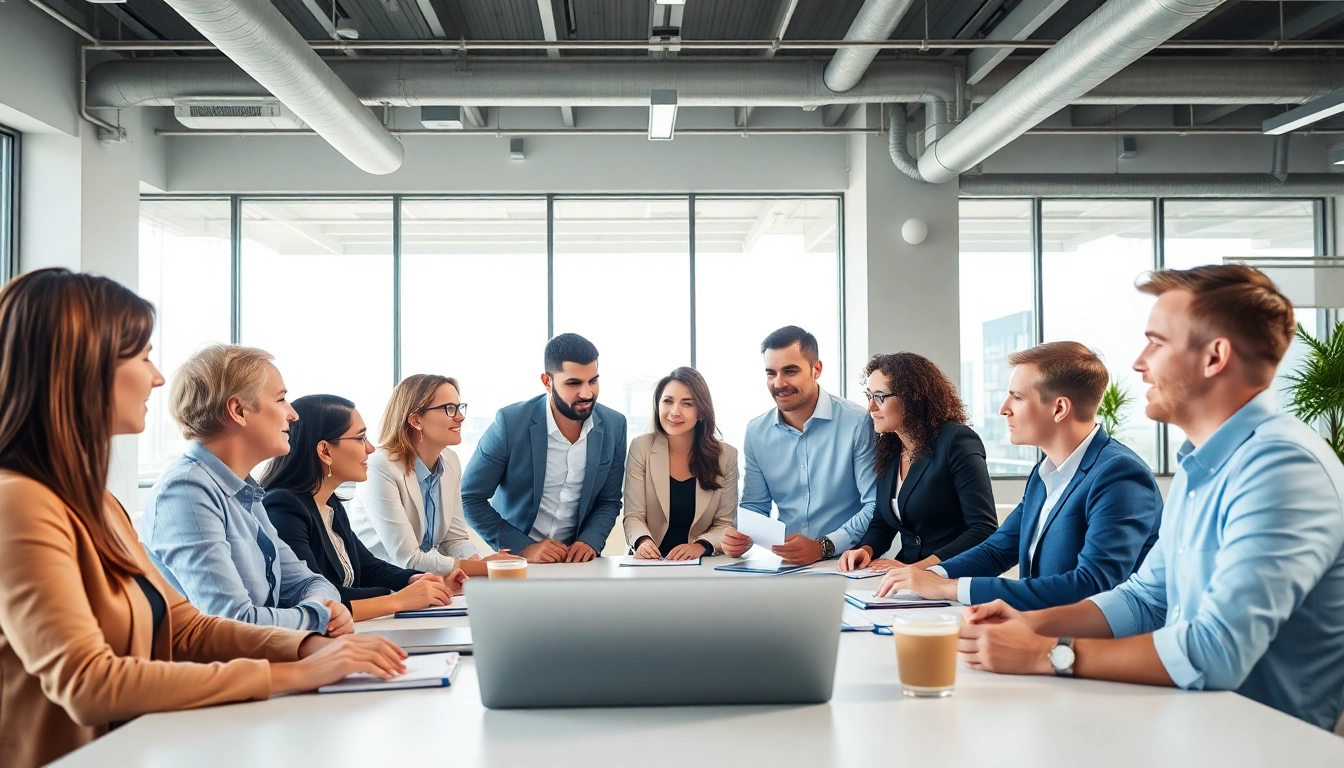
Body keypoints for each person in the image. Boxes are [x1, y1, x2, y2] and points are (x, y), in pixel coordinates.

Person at [0, 269, 405, 768]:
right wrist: (298, 671)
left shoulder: (97, 503)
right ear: (83, 367)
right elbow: (88, 682)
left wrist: (304, 648)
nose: (158, 376)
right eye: (143, 356)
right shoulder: (18, 502)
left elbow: (186, 627)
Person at [959, 265, 1344, 731]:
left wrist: (1048, 653)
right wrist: (1032, 623)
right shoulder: (1200, 465)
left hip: (1259, 742)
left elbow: (1217, 651)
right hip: (1188, 724)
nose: (1140, 362)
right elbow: (1146, 598)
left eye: (1156, 342)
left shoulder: (1282, 466)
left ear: (1215, 357)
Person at [875, 342, 1163, 610]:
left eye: (1017, 397)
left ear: (1059, 408)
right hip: (1039, 630)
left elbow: (1092, 585)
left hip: (1092, 650)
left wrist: (950, 589)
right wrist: (927, 574)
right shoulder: (1045, 473)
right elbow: (998, 550)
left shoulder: (1119, 475)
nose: (1004, 409)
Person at [142, 345, 351, 635]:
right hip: (225, 675)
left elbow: (311, 583)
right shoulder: (186, 491)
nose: (293, 415)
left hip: (268, 661)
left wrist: (319, 607)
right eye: (281, 400)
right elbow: (234, 623)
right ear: (238, 410)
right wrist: (318, 615)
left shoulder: (244, 495)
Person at [260, 395, 467, 621]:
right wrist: (399, 597)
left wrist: (418, 580)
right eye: (360, 438)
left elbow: (369, 568)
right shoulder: (283, 507)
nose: (370, 448)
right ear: (325, 451)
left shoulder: (330, 502)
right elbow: (317, 595)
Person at [462, 333, 628, 563]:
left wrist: (589, 540)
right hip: (519, 562)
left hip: (578, 564)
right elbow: (470, 498)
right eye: (573, 383)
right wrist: (524, 548)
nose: (587, 393)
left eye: (593, 380)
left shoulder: (614, 426)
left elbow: (609, 501)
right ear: (547, 381)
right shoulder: (510, 423)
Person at [724, 326, 878, 565]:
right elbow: (756, 505)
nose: (779, 383)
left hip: (851, 562)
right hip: (786, 566)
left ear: (816, 369)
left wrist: (823, 546)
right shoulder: (756, 432)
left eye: (790, 371)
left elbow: (875, 504)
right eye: (770, 373)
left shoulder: (858, 423)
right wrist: (741, 537)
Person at [836, 352, 997, 573]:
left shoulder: (956, 441)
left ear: (911, 399)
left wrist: (921, 568)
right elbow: (883, 520)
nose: (870, 407)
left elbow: (983, 529)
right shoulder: (890, 449)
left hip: (955, 574)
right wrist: (866, 549)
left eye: (880, 397)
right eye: (869, 395)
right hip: (908, 576)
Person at [351, 374, 515, 577]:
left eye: (459, 407)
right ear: (416, 420)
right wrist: (485, 567)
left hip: (429, 580)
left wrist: (475, 561)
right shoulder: (380, 466)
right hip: (385, 584)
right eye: (449, 408)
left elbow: (454, 539)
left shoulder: (450, 461)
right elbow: (409, 558)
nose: (460, 417)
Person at [625, 367, 738, 560]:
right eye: (668, 401)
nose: (674, 412)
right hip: (649, 563)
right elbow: (633, 516)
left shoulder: (726, 455)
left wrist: (700, 546)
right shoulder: (640, 447)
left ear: (701, 411)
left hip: (700, 564)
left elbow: (724, 524)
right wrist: (643, 541)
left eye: (687, 404)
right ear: (657, 405)